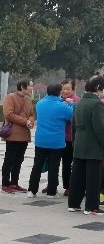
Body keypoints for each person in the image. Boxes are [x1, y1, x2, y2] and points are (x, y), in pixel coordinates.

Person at [26, 83, 74, 198]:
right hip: (56, 142)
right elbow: (72, 116)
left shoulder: (39, 103)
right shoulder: (62, 106)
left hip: (41, 140)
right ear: (59, 92)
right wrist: (71, 104)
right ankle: (51, 192)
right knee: (54, 167)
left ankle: (32, 190)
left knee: (37, 166)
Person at [67, 76, 104, 215]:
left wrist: (75, 142)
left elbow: (74, 125)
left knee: (77, 176)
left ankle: (74, 204)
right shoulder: (97, 104)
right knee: (93, 178)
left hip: (79, 144)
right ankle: (91, 206)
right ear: (98, 87)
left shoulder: (79, 103)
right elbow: (100, 128)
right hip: (93, 146)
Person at [1, 80, 36, 193]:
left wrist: (30, 121)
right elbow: (9, 114)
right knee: (9, 160)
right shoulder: (10, 97)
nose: (32, 88)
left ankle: (14, 183)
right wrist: (25, 121)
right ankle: (5, 184)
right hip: (13, 135)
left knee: (19, 160)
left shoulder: (28, 99)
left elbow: (31, 114)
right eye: (30, 86)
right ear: (22, 87)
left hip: (24, 135)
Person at [60, 79, 81, 195]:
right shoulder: (59, 100)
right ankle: (61, 185)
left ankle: (71, 186)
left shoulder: (77, 101)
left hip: (71, 138)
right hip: (59, 138)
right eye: (63, 88)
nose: (65, 91)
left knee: (70, 163)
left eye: (68, 88)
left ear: (73, 89)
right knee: (60, 163)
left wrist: (70, 105)